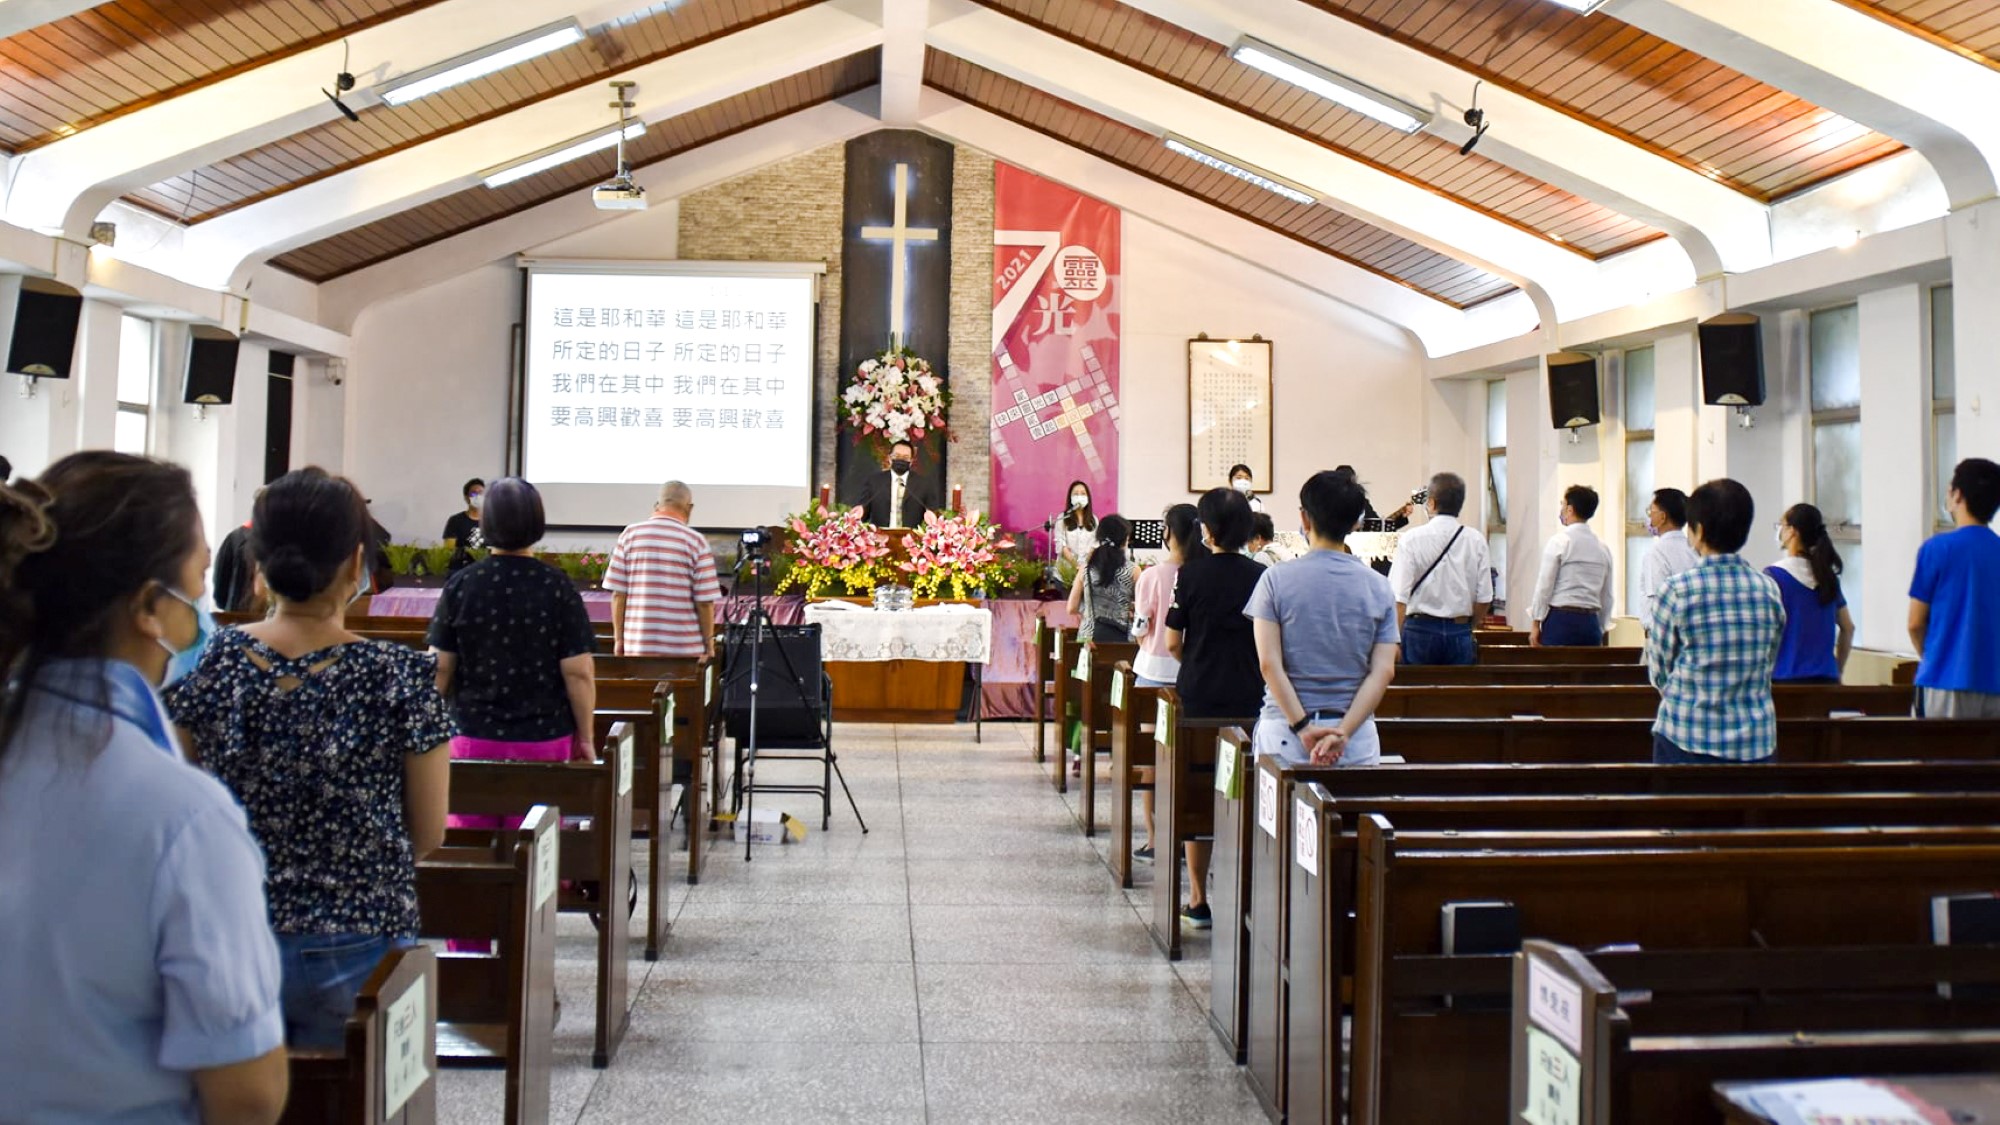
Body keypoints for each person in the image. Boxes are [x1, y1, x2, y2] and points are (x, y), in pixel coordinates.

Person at [0, 452, 288, 1124]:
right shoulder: (180, 815)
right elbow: (247, 1092)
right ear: (148, 610)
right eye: (194, 586)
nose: (202, 621)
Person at [166, 467, 453, 1049]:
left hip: (227, 933)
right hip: (362, 939)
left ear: (257, 565)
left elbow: (175, 805)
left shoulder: (206, 665)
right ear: (356, 564)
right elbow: (427, 832)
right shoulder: (400, 676)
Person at [430, 477, 597, 769]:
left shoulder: (461, 585)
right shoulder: (557, 586)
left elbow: (440, 667)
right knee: (540, 816)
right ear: (537, 522)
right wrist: (586, 737)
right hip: (545, 739)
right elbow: (578, 672)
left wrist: (425, 736)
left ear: (486, 524)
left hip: (472, 737)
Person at [1163, 487, 1267, 929]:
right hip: (1249, 696)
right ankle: (1247, 897)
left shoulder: (1189, 576)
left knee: (1198, 793)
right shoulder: (1263, 575)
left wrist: (1198, 663)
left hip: (1200, 697)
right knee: (1247, 792)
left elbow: (1171, 641)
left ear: (1205, 530)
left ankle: (1199, 898)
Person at [1248, 470, 1399, 771]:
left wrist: (1303, 727)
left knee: (1278, 819)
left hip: (1285, 734)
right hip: (1353, 739)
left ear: (1305, 519)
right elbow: (1383, 670)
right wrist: (1342, 732)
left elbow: (1269, 665)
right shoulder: (1379, 585)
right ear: (1356, 522)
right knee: (1353, 818)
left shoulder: (1275, 580)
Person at [1646, 478, 1785, 763]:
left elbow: (1659, 671)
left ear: (1698, 531)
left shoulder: (1675, 591)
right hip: (1754, 743)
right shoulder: (1769, 589)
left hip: (1685, 738)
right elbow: (1769, 660)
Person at [1129, 503, 1203, 864]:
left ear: (1168, 533)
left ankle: (1156, 839)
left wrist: (1141, 636)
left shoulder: (1152, 575)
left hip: (1153, 671)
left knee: (1152, 760)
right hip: (1189, 673)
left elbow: (1141, 626)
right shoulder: (1201, 572)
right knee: (1187, 759)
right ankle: (1189, 837)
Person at [1908, 457, 2000, 717]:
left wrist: (1935, 657)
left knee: (1938, 755)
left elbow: (1915, 623)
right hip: (1995, 681)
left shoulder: (1937, 549)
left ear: (1957, 494)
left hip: (1943, 680)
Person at [606, 480, 721, 660]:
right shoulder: (696, 541)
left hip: (638, 648)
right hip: (684, 651)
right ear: (689, 508)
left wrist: (619, 639)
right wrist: (709, 645)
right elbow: (705, 603)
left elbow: (618, 595)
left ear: (656, 505)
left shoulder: (629, 535)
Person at [1388, 471, 1493, 666]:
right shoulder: (1476, 540)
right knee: (1457, 695)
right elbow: (1485, 598)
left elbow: (1399, 599)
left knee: (1416, 693)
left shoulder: (1411, 539)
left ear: (1432, 503)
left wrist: (1393, 641)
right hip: (1459, 630)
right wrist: (1468, 625)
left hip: (1419, 630)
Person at [1767, 503, 1853, 684]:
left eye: (1782, 525)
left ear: (1792, 531)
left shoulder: (1774, 576)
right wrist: (1838, 669)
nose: (1780, 532)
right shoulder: (1827, 577)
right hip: (1825, 679)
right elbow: (1848, 627)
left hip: (1785, 679)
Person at [1528, 484, 1617, 647]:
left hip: (1561, 621)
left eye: (1562, 504)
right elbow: (1607, 595)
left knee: (1556, 671)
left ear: (1569, 509)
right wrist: (1602, 626)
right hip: (1590, 623)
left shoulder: (1560, 542)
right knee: (1586, 671)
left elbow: (1544, 586)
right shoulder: (1603, 548)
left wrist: (1535, 623)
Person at [1068, 514, 1135, 645]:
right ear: (1124, 540)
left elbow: (1071, 608)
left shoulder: (1086, 569)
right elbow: (1142, 608)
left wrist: (1089, 610)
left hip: (1088, 638)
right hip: (1123, 641)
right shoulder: (1133, 570)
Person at [1638, 488, 1699, 627]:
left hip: (1662, 633)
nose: (1649, 518)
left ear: (1662, 517)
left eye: (1651, 512)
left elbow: (1656, 602)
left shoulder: (1656, 553)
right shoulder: (1693, 550)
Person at [856, 440, 938, 529]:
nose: (901, 460)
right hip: (880, 538)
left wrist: (931, 516)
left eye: (906, 457)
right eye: (897, 456)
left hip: (911, 539)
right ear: (889, 458)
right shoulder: (874, 481)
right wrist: (857, 514)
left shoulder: (923, 484)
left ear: (911, 461)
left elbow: (931, 513)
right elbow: (862, 512)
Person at [441, 477, 486, 573]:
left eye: (481, 493)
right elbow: (449, 550)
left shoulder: (493, 522)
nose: (478, 497)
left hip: (486, 570)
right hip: (460, 570)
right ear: (466, 497)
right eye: (474, 493)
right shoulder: (455, 520)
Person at [1058, 479, 1098, 566]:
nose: (1079, 496)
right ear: (1070, 497)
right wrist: (1075, 565)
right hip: (1066, 571)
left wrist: (1083, 566)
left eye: (1083, 494)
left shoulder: (1094, 519)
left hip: (1087, 570)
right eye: (1076, 494)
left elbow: (1095, 545)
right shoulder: (1063, 518)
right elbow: (1061, 545)